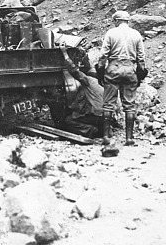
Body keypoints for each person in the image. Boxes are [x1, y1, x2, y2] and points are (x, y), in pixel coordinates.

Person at [96, 10, 147, 147]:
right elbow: (141, 59)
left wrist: (101, 72)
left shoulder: (111, 33)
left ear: (116, 21)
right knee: (129, 105)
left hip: (114, 68)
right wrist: (140, 75)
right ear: (127, 21)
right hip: (130, 69)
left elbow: (103, 56)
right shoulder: (136, 34)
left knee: (108, 104)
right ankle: (129, 138)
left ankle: (106, 137)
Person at [59, 44, 104, 138]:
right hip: (105, 116)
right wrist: (85, 56)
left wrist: (65, 54)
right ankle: (103, 130)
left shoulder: (88, 81)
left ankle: (91, 131)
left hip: (95, 115)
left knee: (68, 120)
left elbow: (74, 71)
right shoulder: (101, 83)